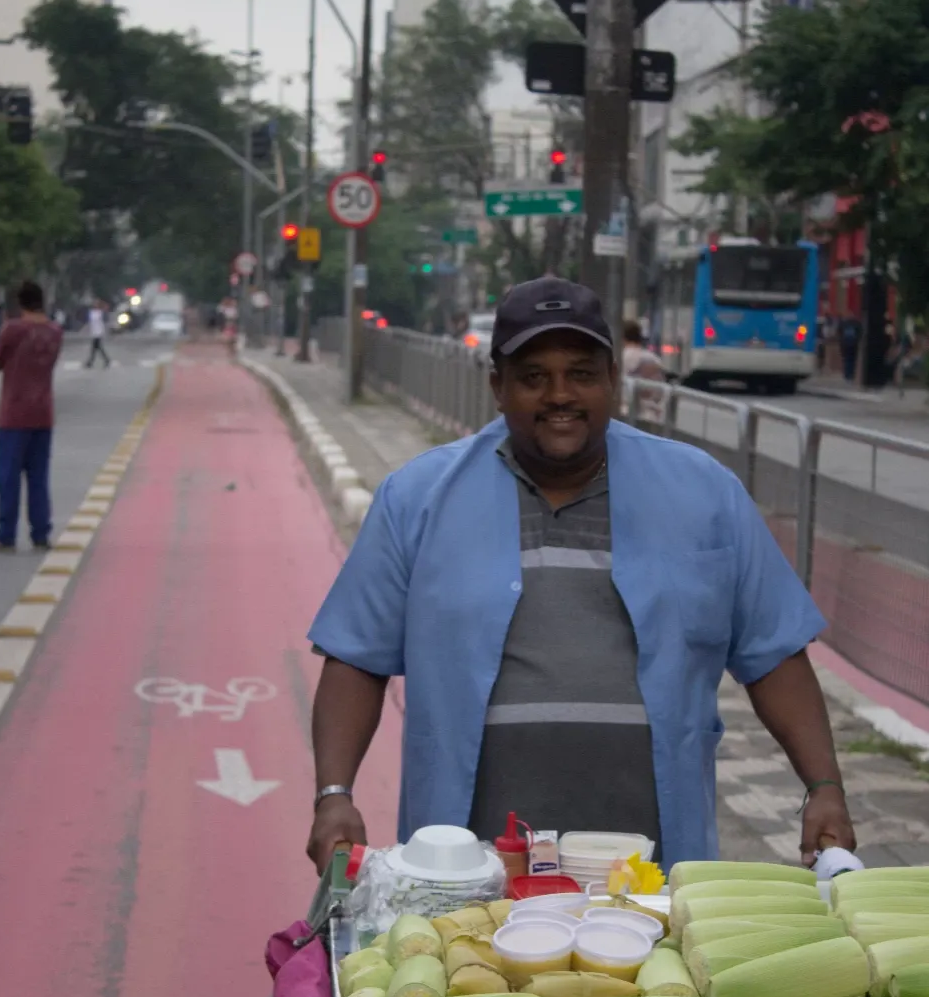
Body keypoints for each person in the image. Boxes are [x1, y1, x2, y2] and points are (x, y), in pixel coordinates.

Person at [306, 275, 855, 875]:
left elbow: (772, 651)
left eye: (582, 373)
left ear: (614, 381)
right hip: (465, 870)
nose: (559, 394)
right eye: (534, 377)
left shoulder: (705, 493)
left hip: (656, 869)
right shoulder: (416, 498)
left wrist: (822, 783)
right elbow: (357, 658)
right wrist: (335, 794)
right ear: (497, 386)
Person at [0, 280, 62, 554]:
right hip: (43, 413)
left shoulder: (14, 329)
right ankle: (40, 534)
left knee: (8, 477)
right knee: (38, 477)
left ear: (20, 303)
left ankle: (6, 535)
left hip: (14, 414)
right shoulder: (54, 331)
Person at [85, 299, 109, 367]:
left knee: (95, 348)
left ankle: (90, 362)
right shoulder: (92, 312)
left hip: (99, 332)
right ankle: (106, 360)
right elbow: (89, 322)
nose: (95, 305)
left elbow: (105, 320)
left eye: (96, 304)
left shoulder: (101, 313)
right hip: (94, 332)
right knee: (97, 348)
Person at [838, 315, 862, 383]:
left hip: (846, 345)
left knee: (847, 360)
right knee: (852, 360)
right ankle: (850, 374)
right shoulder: (856, 324)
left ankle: (847, 375)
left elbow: (839, 333)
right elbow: (860, 334)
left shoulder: (844, 324)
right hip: (853, 345)